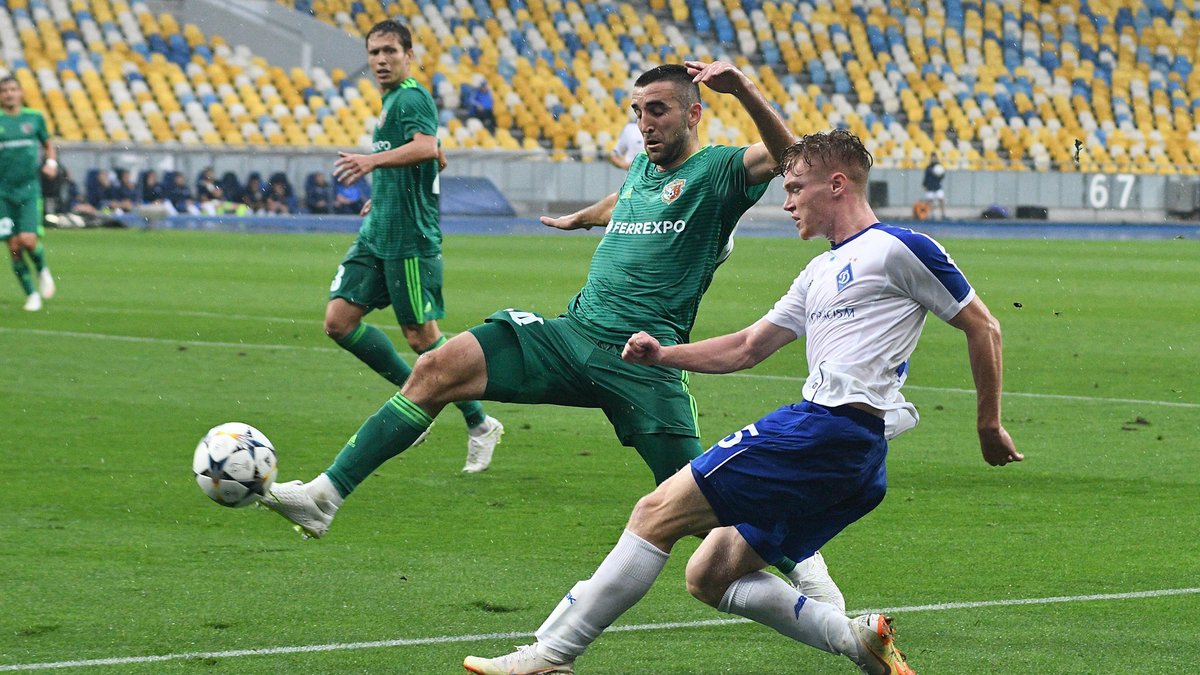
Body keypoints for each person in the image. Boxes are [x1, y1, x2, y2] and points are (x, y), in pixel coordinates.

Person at [262, 60, 843, 607]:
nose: (645, 123)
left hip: (642, 362)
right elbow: (626, 200)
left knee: (698, 501)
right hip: (572, 335)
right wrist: (583, 217)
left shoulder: (719, 171)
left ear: (694, 113)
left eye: (658, 110)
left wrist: (742, 89)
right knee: (438, 366)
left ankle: (797, 554)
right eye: (638, 111)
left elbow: (794, 157)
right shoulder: (643, 166)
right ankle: (324, 497)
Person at [462, 129, 1024, 675]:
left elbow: (984, 326)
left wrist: (988, 424)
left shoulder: (899, 248)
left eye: (795, 188)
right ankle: (857, 641)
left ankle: (552, 653)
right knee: (709, 575)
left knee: (655, 513)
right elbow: (748, 347)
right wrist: (663, 355)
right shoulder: (817, 270)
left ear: (836, 185)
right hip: (851, 456)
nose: (787, 203)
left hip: (827, 429)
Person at [309, 19, 504, 475]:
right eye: (374, 53)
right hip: (378, 230)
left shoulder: (412, 96)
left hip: (409, 239)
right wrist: (383, 192)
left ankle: (480, 423)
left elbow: (426, 147)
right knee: (338, 322)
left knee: (422, 337)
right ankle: (413, 402)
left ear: (408, 56)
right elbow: (426, 156)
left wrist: (371, 162)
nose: (381, 60)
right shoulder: (391, 100)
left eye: (390, 52)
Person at [0, 75, 57, 311]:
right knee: (14, 246)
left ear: (21, 92)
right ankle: (31, 295)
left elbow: (47, 144)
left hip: (29, 190)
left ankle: (42, 269)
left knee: (28, 241)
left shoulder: (34, 117)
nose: (9, 94)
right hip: (2, 194)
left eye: (13, 89)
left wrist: (51, 162)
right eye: (4, 90)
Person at [921, 152, 946, 220]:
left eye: (934, 158)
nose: (933, 159)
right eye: (932, 158)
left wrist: (939, 175)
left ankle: (943, 214)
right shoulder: (928, 167)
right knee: (930, 201)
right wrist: (924, 185)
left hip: (937, 186)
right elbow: (926, 177)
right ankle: (932, 214)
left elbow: (942, 176)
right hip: (930, 186)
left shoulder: (939, 166)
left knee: (941, 199)